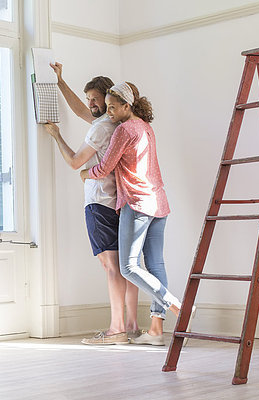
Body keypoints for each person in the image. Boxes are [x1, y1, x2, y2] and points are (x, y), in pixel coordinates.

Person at [44, 62, 140, 345]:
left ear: (108, 100)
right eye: (90, 100)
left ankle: (116, 329)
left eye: (95, 100)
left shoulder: (100, 129)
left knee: (111, 266)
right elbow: (79, 110)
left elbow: (75, 162)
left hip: (99, 202)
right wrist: (61, 81)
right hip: (119, 201)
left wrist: (57, 135)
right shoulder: (117, 124)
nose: (91, 105)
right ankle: (131, 325)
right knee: (125, 266)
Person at [80, 82, 182, 346]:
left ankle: (174, 304)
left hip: (136, 204)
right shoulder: (146, 127)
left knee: (127, 267)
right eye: (108, 108)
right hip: (159, 202)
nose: (109, 113)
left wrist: (84, 174)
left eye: (113, 107)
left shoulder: (124, 130)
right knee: (156, 264)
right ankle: (157, 332)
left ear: (127, 106)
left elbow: (104, 167)